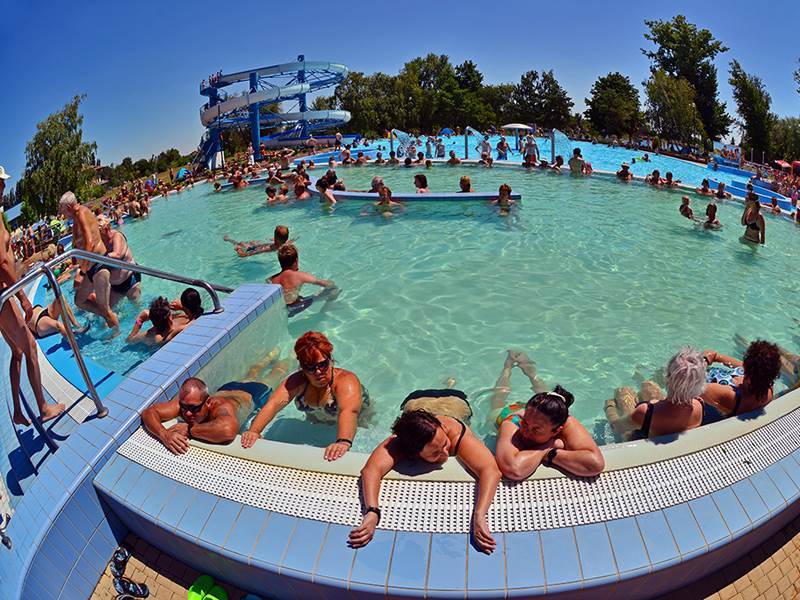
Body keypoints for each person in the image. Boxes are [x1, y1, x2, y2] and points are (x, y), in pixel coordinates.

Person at [348, 389, 501, 554]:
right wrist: (372, 512)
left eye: (444, 443)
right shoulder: (403, 441)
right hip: (416, 401)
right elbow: (371, 471)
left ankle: (452, 384)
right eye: (435, 453)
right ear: (413, 454)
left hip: (454, 402)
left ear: (442, 428)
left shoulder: (457, 436)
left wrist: (479, 515)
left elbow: (491, 471)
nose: (445, 453)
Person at [241, 331, 370, 460]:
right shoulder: (297, 382)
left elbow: (349, 412)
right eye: (310, 367)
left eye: (322, 364)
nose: (318, 372)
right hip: (318, 418)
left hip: (356, 415)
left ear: (330, 359)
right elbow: (273, 404)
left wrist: (343, 442)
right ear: (302, 367)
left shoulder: (346, 381)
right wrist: (253, 431)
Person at [0, 172, 65, 425]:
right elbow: (3, 263)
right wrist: (23, 298)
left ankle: (17, 411)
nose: (4, 186)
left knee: (17, 352)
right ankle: (44, 408)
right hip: (3, 295)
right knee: (30, 346)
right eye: (0, 182)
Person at [490, 351, 604, 479]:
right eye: (525, 424)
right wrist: (550, 445)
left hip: (536, 412)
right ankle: (507, 368)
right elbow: (513, 470)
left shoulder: (565, 421)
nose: (526, 433)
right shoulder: (513, 423)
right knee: (499, 398)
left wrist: (547, 451)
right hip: (508, 413)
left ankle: (530, 372)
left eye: (536, 429)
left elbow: (595, 464)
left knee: (548, 399)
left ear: (557, 431)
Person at [142, 366, 279, 454]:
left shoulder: (222, 407)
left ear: (208, 402)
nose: (187, 413)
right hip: (228, 387)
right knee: (251, 375)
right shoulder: (187, 403)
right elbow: (149, 412)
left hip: (254, 393)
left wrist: (190, 429)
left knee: (275, 374)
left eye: (194, 408)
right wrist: (164, 435)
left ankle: (282, 359)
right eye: (184, 407)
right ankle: (262, 363)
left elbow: (227, 430)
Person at [626, 348, 726, 439]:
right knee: (647, 385)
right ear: (700, 383)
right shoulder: (699, 404)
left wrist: (648, 406)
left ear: (667, 376)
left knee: (624, 392)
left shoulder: (645, 412)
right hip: (671, 421)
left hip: (649, 436)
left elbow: (619, 427)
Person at [59, 192, 118, 329]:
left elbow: (89, 242)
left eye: (63, 210)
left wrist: (84, 268)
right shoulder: (76, 218)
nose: (63, 214)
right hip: (91, 267)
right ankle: (109, 317)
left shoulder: (81, 213)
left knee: (104, 307)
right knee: (79, 300)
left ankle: (116, 331)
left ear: (69, 207)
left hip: (98, 264)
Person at [701, 340, 781, 417]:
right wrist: (713, 357)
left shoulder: (730, 395)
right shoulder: (767, 387)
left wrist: (703, 361)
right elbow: (716, 356)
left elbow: (694, 385)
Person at [269, 244, 337, 316]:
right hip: (292, 310)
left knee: (297, 297)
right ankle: (326, 310)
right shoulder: (300, 275)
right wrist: (331, 283)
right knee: (333, 289)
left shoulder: (271, 279)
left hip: (279, 311)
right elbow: (325, 284)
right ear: (296, 261)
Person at [97, 216, 142, 306]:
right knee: (108, 309)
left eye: (99, 221)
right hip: (115, 285)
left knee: (136, 307)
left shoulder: (117, 236)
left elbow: (117, 255)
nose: (97, 224)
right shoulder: (100, 243)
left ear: (108, 225)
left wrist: (98, 259)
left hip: (130, 279)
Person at [223, 225, 290, 257]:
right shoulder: (284, 244)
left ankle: (228, 239)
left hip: (254, 249)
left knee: (240, 244)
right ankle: (229, 239)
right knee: (249, 243)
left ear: (276, 238)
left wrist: (239, 251)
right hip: (260, 245)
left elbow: (251, 253)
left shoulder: (269, 248)